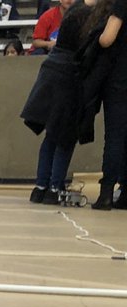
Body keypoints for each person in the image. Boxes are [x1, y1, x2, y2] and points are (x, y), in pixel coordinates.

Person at [21, 0, 92, 202]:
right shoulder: (88, 15)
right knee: (65, 136)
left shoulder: (74, 11)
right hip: (69, 73)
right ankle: (55, 188)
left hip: (52, 68)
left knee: (51, 134)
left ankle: (40, 186)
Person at [91, 0, 126, 209]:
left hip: (119, 81)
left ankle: (106, 193)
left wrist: (95, 36)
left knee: (115, 138)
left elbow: (107, 39)